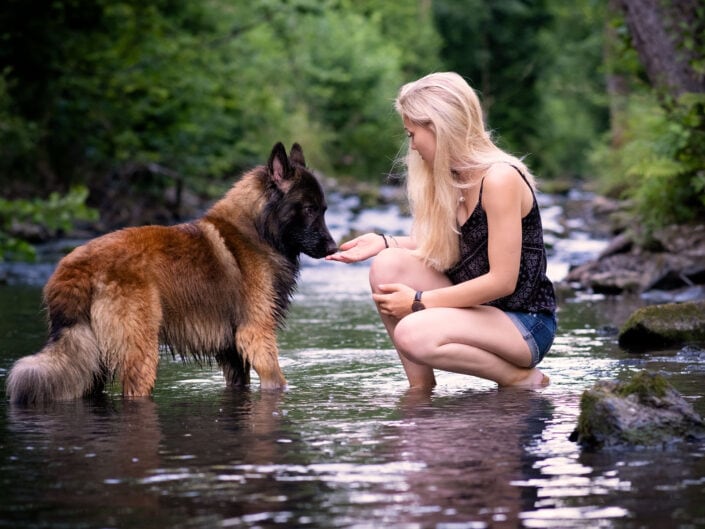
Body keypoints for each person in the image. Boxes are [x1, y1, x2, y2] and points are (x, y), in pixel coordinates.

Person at [326, 72, 557, 389]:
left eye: (412, 134)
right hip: (480, 313)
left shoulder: (500, 178)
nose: (412, 145)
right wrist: (383, 242)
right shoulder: (452, 178)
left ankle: (520, 379)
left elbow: (503, 281)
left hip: (524, 322)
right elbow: (450, 245)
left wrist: (419, 301)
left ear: (437, 126)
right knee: (388, 264)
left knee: (413, 332)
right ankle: (420, 388)